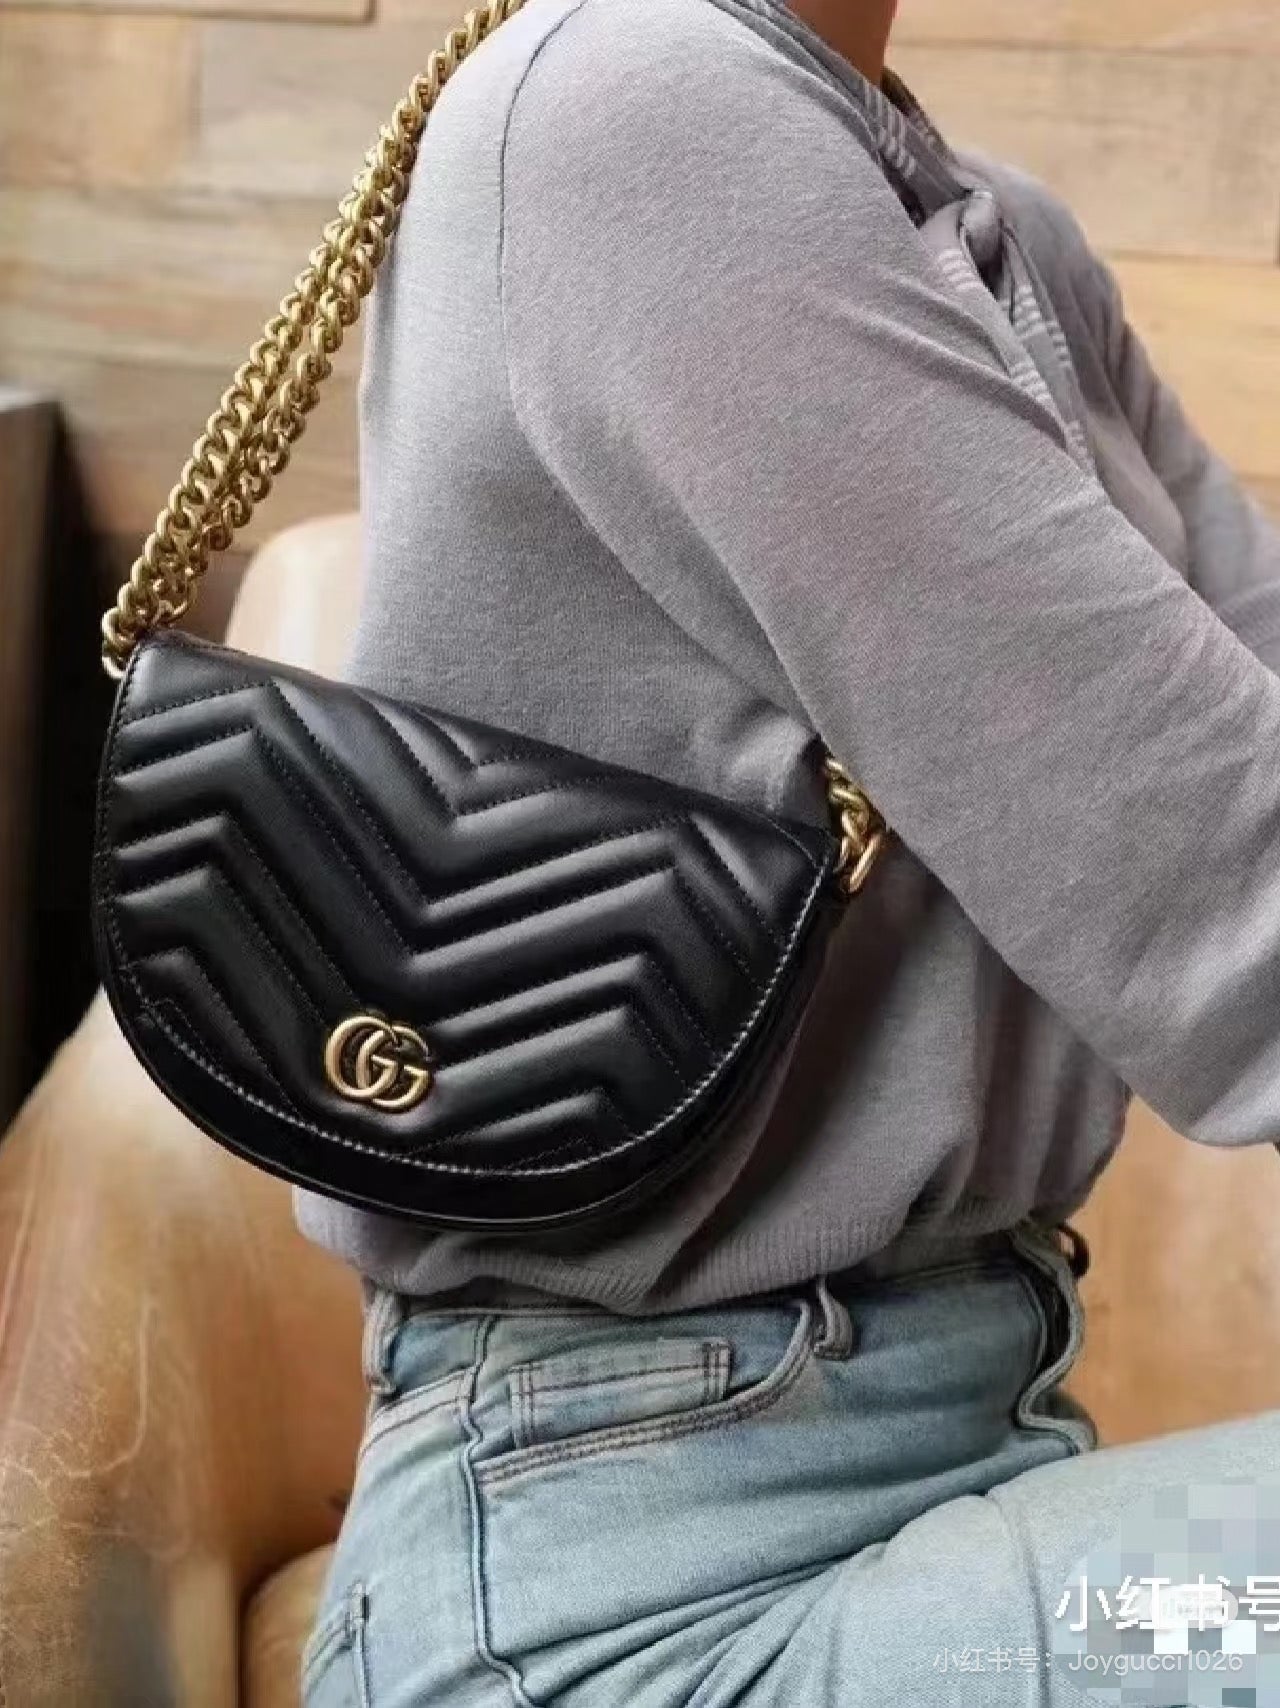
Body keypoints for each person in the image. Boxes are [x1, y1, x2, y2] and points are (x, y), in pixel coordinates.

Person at [298, 0, 1280, 1701]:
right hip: (643, 1602)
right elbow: (1214, 871)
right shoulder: (631, 106)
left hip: (972, 1524)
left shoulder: (1003, 237)